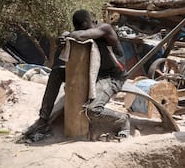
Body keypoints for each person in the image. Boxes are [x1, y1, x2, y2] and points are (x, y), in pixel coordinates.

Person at [24, 9, 130, 142]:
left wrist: (67, 35)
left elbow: (79, 36)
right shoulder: (82, 30)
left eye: (80, 28)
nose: (78, 30)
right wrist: (62, 39)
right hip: (93, 72)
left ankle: (123, 119)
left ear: (87, 23)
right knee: (56, 73)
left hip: (112, 77)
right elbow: (75, 36)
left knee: (92, 110)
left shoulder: (105, 28)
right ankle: (43, 119)